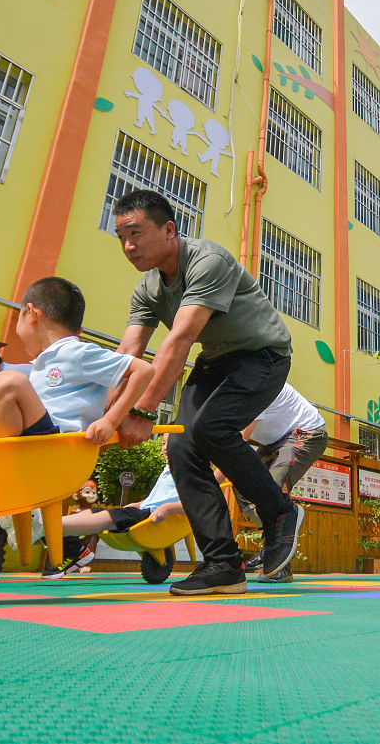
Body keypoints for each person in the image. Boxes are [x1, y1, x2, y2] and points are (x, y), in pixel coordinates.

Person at [110, 189, 303, 596]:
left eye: (136, 233)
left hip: (263, 355)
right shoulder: (147, 289)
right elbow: (127, 355)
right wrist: (107, 414)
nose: (128, 246)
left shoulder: (207, 261)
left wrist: (143, 412)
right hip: (216, 360)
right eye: (121, 237)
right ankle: (223, 564)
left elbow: (179, 340)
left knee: (210, 429)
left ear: (168, 229)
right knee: (181, 447)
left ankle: (280, 513)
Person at [0, 277, 154, 446]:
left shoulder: (75, 351)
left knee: (7, 383)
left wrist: (110, 421)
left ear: (31, 313)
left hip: (53, 444)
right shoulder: (45, 360)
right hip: (26, 438)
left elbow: (143, 370)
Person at [233, 383, 328, 583]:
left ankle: (277, 559)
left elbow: (238, 442)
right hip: (275, 441)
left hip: (306, 431)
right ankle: (272, 544)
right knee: (242, 484)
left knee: (273, 487)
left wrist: (212, 480)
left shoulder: (254, 383)